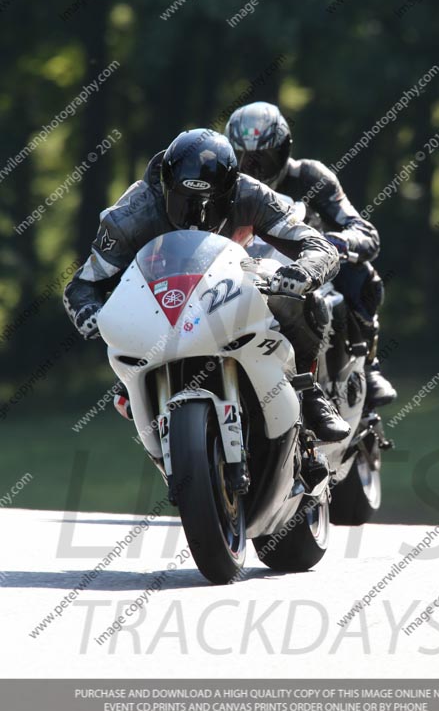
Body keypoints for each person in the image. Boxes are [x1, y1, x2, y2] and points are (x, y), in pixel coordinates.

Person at [63, 129, 351, 458]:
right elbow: (83, 284)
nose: (195, 215)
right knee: (124, 398)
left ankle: (309, 391)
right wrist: (88, 312)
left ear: (230, 191)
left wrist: (305, 272)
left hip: (232, 281)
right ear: (166, 187)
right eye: (184, 202)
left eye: (208, 204)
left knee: (304, 300)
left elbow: (317, 244)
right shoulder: (131, 213)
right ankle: (150, 397)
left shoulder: (251, 193)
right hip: (159, 307)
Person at [224, 102, 397, 408]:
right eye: (244, 158)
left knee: (362, 274)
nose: (254, 168)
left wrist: (335, 244)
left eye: (263, 157)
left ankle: (368, 367)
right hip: (250, 271)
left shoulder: (310, 175)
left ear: (283, 149)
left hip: (310, 268)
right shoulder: (225, 189)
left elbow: (364, 231)